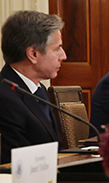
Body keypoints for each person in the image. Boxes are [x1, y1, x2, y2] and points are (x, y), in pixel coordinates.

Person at [0, 11, 67, 163]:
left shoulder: (38, 89)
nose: (63, 56)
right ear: (33, 54)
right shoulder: (5, 98)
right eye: (57, 49)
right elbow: (14, 164)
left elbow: (55, 148)